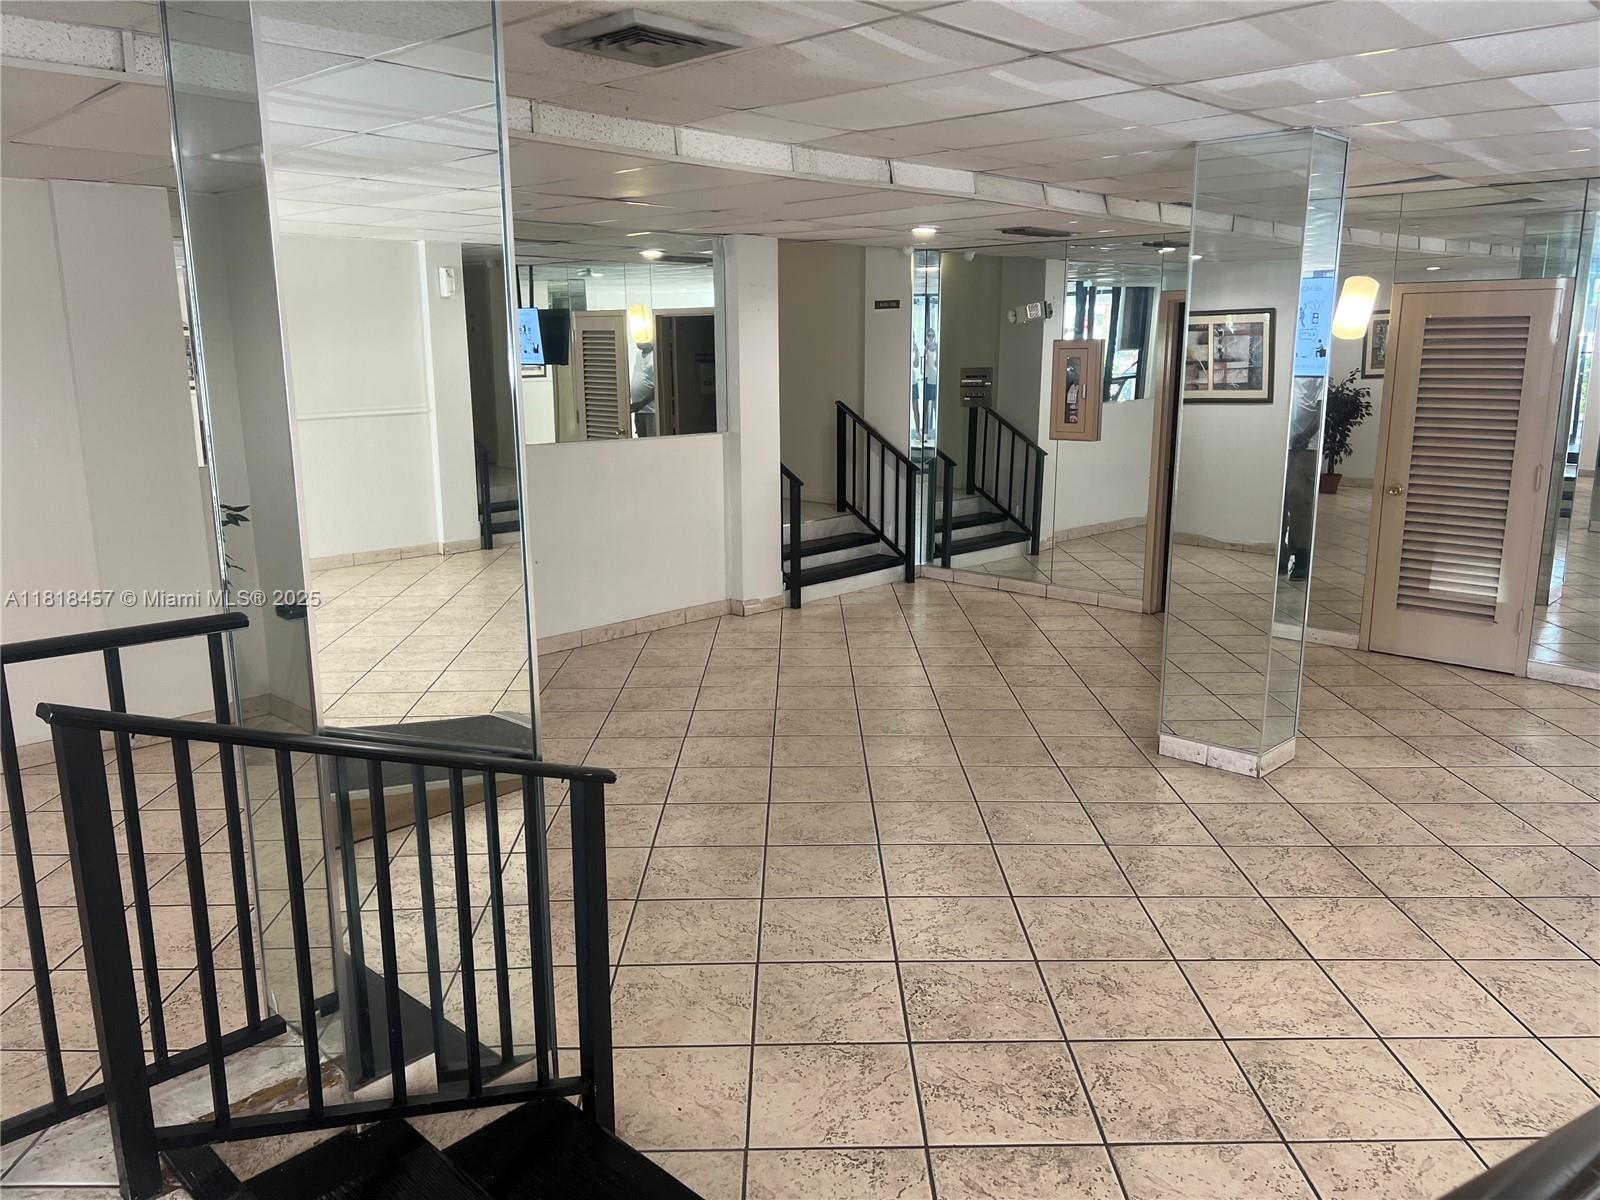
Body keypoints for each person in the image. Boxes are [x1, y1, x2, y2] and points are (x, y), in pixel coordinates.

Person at [630, 342, 656, 438]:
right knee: (641, 444)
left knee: (652, 445)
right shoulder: (638, 355)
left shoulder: (656, 356)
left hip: (652, 411)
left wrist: (641, 404)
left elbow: (658, 388)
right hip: (638, 411)